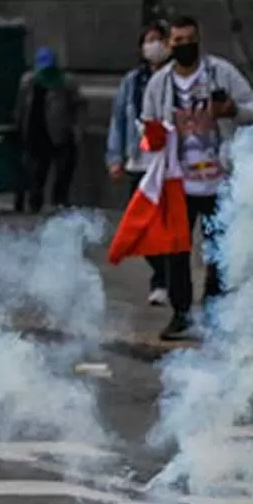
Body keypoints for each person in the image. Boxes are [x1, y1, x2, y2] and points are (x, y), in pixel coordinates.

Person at [139, 14, 253, 340]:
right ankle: (181, 313)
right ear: (169, 45)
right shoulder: (159, 83)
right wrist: (153, 141)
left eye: (189, 39)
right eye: (177, 41)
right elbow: (147, 122)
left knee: (218, 248)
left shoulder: (221, 72)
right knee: (176, 250)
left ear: (199, 39)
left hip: (219, 177)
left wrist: (232, 110)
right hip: (177, 180)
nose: (184, 46)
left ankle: (214, 310)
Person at [106, 21, 171, 307]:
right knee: (142, 227)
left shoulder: (174, 78)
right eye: (149, 40)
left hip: (167, 164)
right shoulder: (133, 81)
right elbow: (119, 118)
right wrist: (115, 157)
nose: (154, 45)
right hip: (138, 161)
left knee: (167, 226)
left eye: (159, 39)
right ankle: (160, 273)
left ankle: (165, 282)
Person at [12, 46, 85, 213]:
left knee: (63, 173)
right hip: (35, 135)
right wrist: (19, 127)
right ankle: (35, 204)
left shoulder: (66, 83)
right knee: (36, 175)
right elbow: (21, 107)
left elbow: (80, 106)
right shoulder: (28, 82)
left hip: (61, 134)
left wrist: (77, 129)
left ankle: (59, 203)